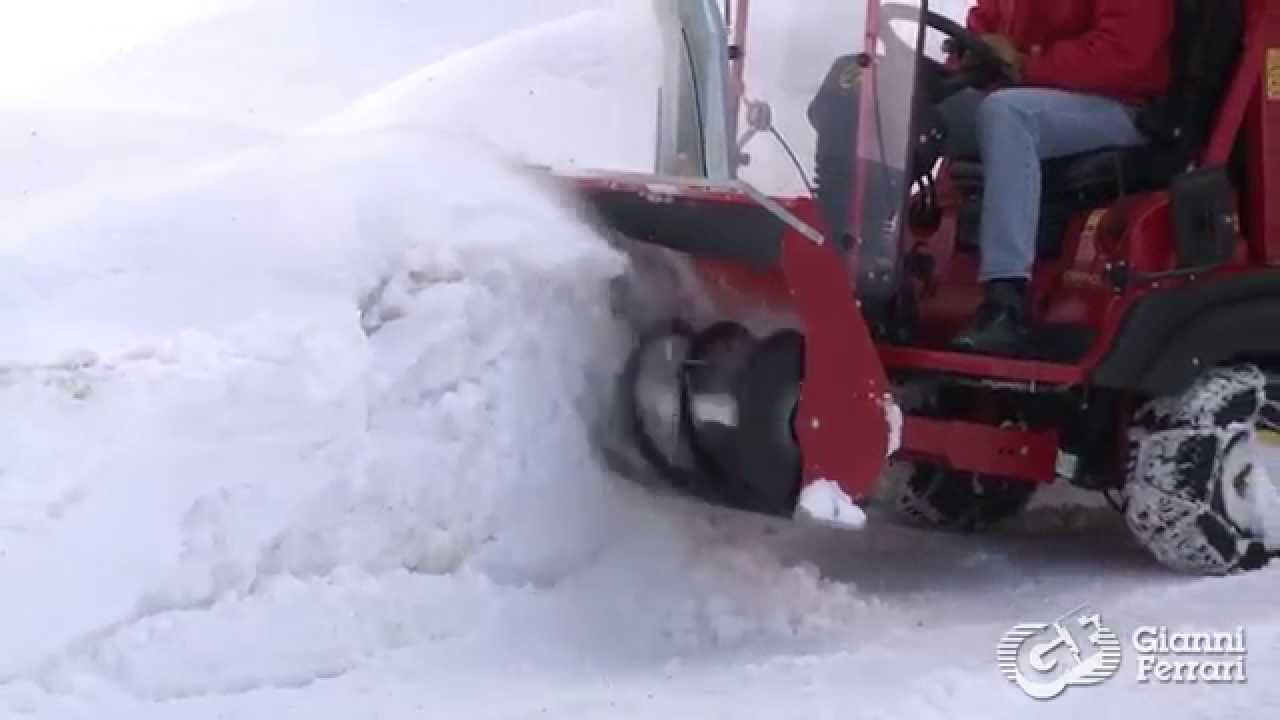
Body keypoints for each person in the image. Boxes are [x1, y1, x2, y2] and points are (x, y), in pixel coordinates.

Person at [945, 0, 1174, 355]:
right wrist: (970, 55)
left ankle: (1005, 301)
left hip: (1121, 104)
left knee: (1009, 115)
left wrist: (1025, 62)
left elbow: (1125, 54)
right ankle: (864, 275)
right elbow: (983, 25)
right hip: (1038, 90)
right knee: (907, 99)